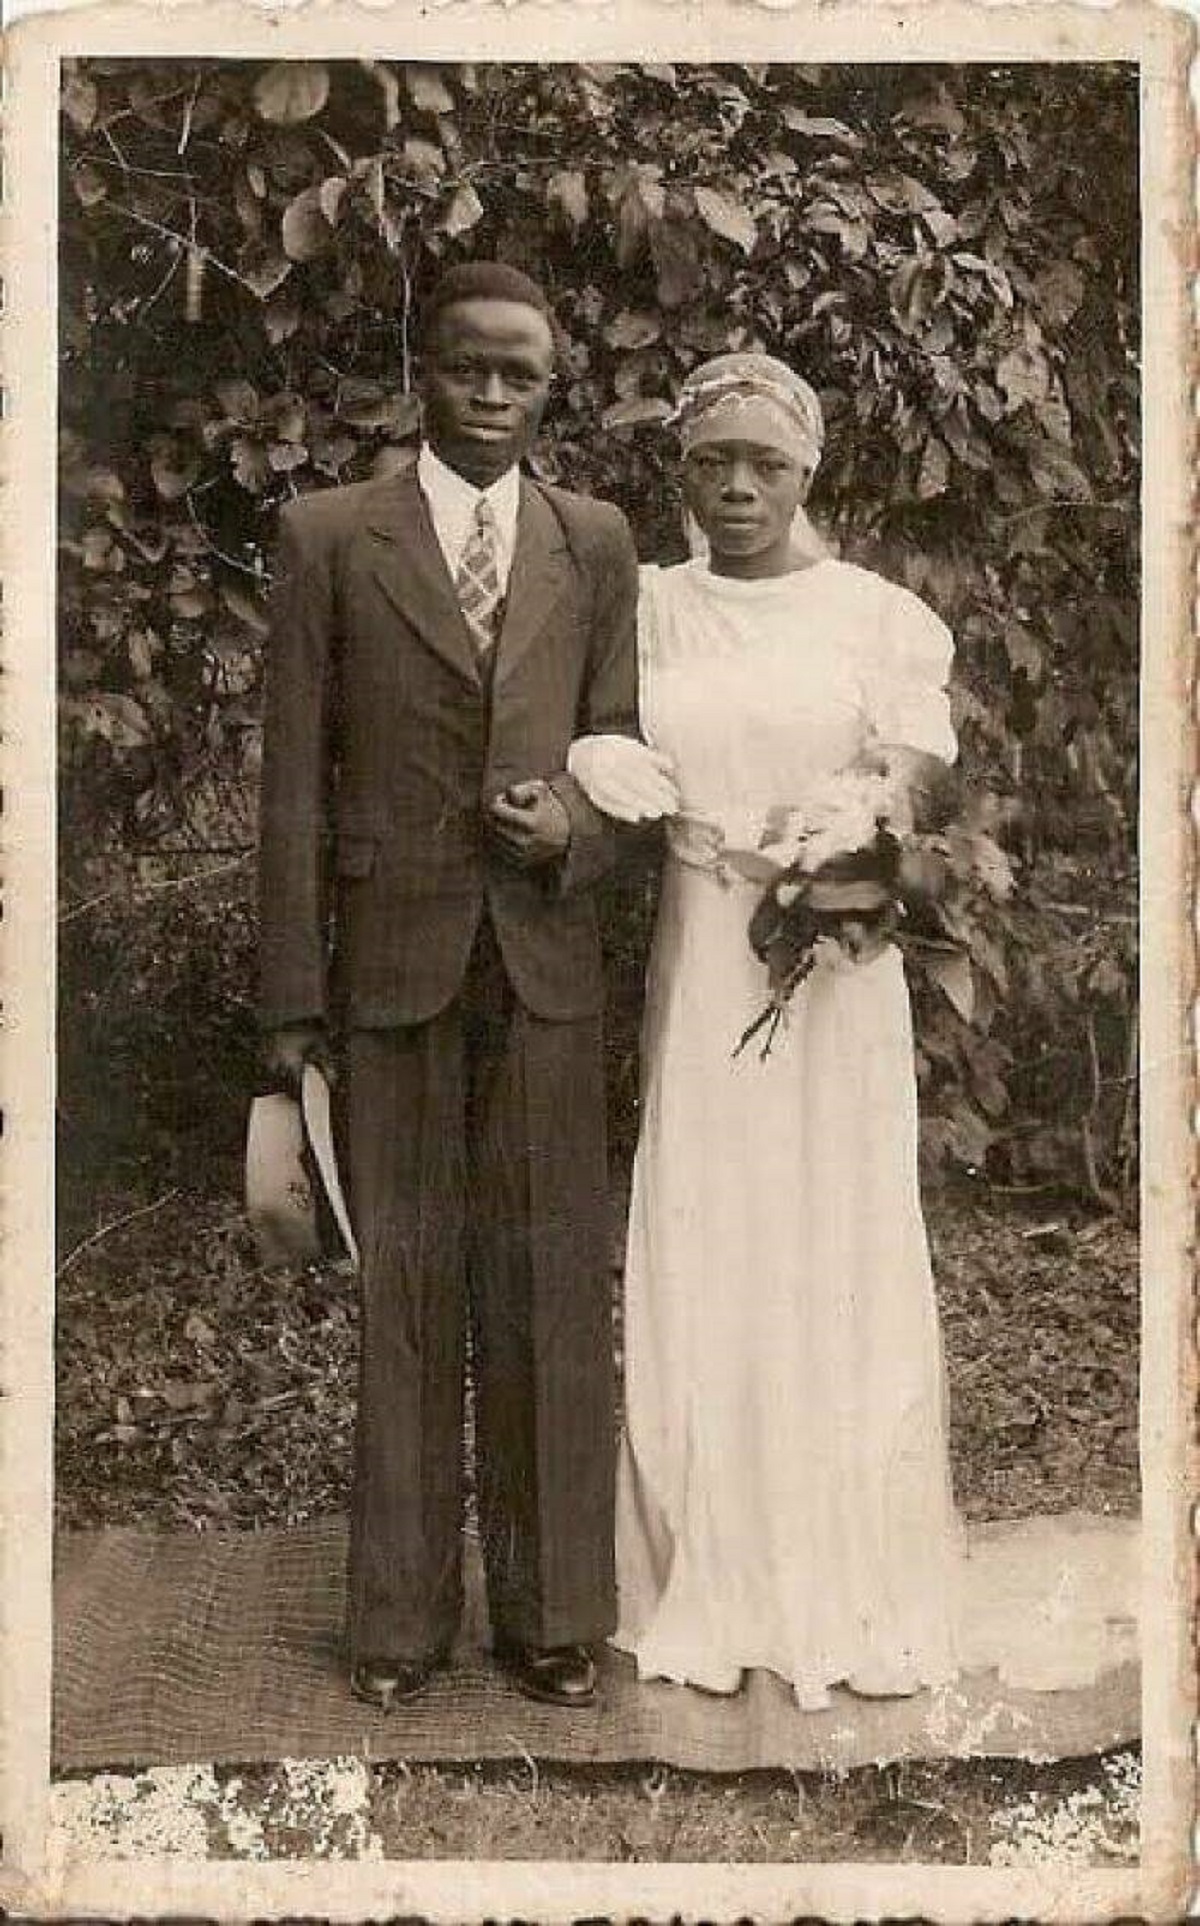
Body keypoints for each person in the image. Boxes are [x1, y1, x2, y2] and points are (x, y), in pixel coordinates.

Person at [257, 261, 642, 1711]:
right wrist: (290, 1010)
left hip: (542, 969)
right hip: (395, 975)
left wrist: (580, 834)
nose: (493, 397)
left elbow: (626, 744)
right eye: (469, 369)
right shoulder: (330, 537)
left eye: (520, 377)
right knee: (410, 1286)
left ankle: (552, 1619)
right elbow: (293, 782)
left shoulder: (591, 541)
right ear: (425, 372)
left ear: (552, 389)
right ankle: (398, 1625)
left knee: (546, 1287)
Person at [569, 353, 962, 1708]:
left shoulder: (880, 617)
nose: (737, 489)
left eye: (766, 465)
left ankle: (841, 1578)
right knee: (709, 1225)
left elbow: (911, 767)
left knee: (830, 1233)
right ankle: (710, 1567)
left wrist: (853, 836)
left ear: (808, 470)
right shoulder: (649, 608)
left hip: (831, 965)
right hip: (702, 957)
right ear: (679, 472)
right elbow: (595, 732)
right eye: (710, 464)